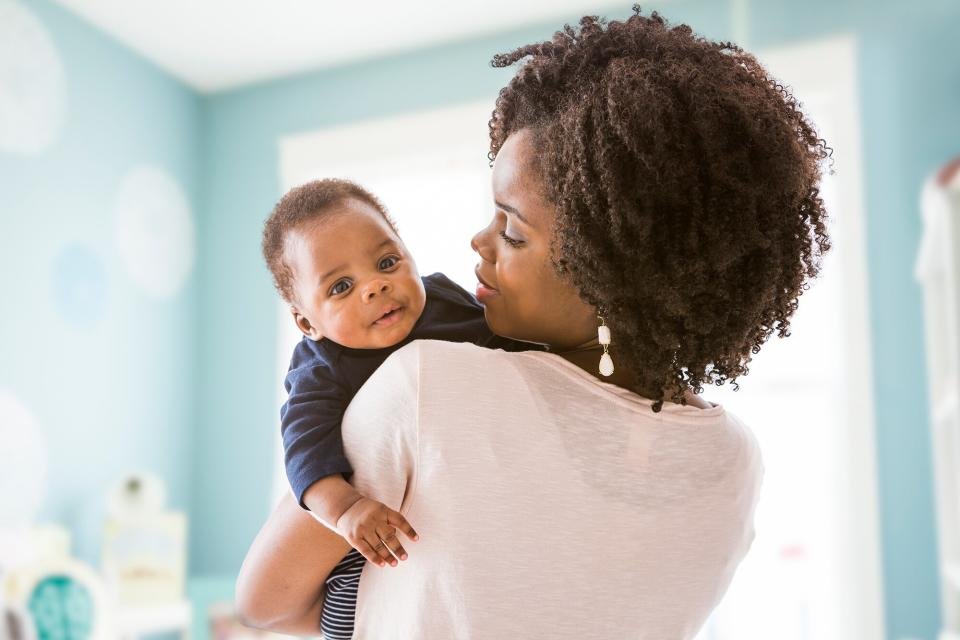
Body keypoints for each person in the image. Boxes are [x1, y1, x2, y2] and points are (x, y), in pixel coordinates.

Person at [236, 7, 831, 639]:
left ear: (610, 270)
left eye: (512, 231)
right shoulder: (736, 462)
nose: (478, 241)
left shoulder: (428, 386)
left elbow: (264, 603)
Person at [261, 178, 545, 639]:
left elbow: (510, 353)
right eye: (341, 286)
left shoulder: (446, 299)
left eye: (387, 262)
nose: (374, 287)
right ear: (306, 322)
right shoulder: (321, 363)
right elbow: (304, 453)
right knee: (354, 612)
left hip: (460, 510)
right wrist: (347, 510)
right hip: (370, 538)